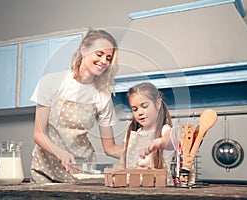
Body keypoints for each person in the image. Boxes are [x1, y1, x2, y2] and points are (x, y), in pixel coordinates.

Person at [30, 28, 123, 183]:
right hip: (44, 170)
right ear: (84, 50)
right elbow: (38, 134)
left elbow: (110, 147)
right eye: (99, 54)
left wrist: (140, 154)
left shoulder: (103, 96)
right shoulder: (51, 82)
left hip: (80, 173)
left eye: (108, 58)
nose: (104, 61)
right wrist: (60, 153)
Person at [118, 82, 176, 185]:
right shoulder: (133, 135)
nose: (140, 112)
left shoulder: (164, 130)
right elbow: (122, 163)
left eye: (144, 106)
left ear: (158, 104)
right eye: (135, 109)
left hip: (158, 188)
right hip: (133, 187)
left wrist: (158, 142)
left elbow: (171, 140)